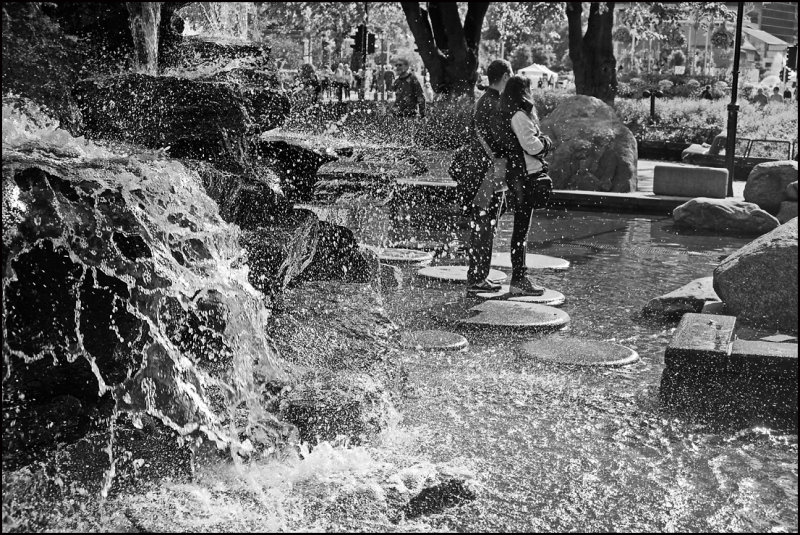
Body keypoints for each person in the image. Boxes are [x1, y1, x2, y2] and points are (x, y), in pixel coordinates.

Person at [490, 75, 553, 296]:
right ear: (523, 91)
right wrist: (546, 143)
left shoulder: (507, 112)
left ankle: (518, 276)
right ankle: (519, 278)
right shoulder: (518, 115)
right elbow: (531, 145)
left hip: (516, 176)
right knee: (521, 230)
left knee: (518, 229)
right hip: (524, 177)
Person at [462, 59, 513, 294]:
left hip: (479, 170)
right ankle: (478, 276)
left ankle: (477, 273)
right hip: (487, 173)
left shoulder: (485, 100)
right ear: (504, 76)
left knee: (483, 222)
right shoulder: (494, 103)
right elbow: (500, 140)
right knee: (485, 223)